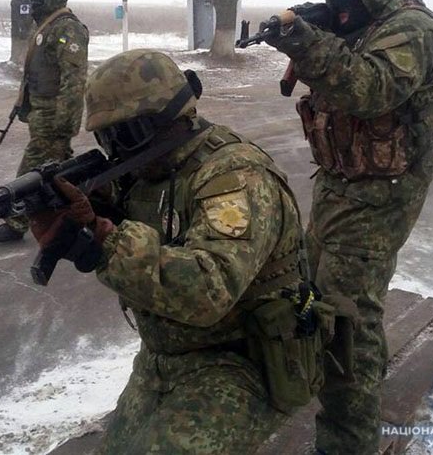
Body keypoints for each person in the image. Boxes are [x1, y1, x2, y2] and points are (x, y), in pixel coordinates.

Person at [29, 49, 311, 454]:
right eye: (106, 138)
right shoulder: (149, 173)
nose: (117, 150)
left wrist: (105, 241)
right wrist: (91, 217)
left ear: (168, 119)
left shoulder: (234, 176)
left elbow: (209, 289)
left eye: (128, 136)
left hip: (240, 359)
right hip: (165, 354)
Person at [262, 0, 433, 454]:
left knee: (346, 318)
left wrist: (308, 42)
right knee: (308, 288)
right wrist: (315, 33)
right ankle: (344, 382)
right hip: (340, 183)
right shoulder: (362, 24)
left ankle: (348, 440)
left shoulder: (412, 30)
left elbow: (370, 89)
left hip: (383, 192)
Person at [0, 0, 89, 243]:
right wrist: (23, 104)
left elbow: (74, 80)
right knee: (61, 172)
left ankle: (15, 222)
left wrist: (64, 123)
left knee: (31, 172)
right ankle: (82, 211)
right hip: (41, 114)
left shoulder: (67, 29)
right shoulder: (47, 25)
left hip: (54, 117)